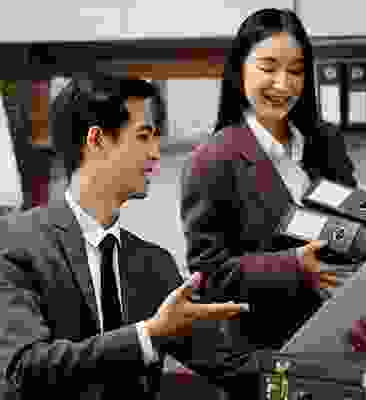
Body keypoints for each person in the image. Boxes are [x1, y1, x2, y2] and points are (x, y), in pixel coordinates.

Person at [0, 73, 252, 400]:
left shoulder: (154, 263)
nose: (156, 153)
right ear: (96, 139)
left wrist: (314, 362)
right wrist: (146, 336)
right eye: (144, 136)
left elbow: (235, 367)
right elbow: (24, 369)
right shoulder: (15, 242)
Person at [180, 7, 366, 356]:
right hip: (265, 352)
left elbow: (350, 234)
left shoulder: (325, 141)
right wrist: (292, 266)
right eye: (268, 68)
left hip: (341, 343)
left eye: (295, 70)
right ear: (239, 69)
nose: (283, 84)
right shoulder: (212, 159)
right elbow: (209, 275)